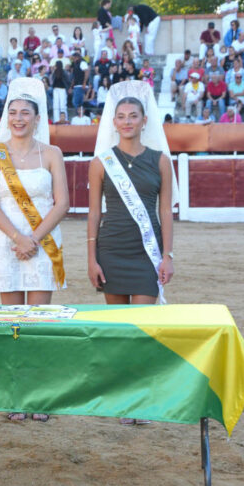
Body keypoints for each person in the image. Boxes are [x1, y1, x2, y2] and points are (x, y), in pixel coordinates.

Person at [0, 77, 68, 422]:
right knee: (12, 323)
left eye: (25, 113)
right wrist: (18, 238)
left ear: (36, 117)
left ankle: (39, 395)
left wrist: (33, 238)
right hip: (6, 241)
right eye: (13, 112)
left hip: (44, 242)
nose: (18, 118)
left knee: (38, 322)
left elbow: (62, 203)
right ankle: (15, 393)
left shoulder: (52, 153)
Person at [87, 79, 175, 332]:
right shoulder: (100, 163)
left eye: (133, 116)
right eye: (122, 117)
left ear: (144, 120)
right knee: (116, 327)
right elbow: (94, 214)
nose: (127, 122)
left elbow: (165, 211)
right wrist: (91, 260)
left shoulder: (160, 161)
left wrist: (167, 256)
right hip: (112, 249)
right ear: (113, 122)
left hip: (147, 252)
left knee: (142, 326)